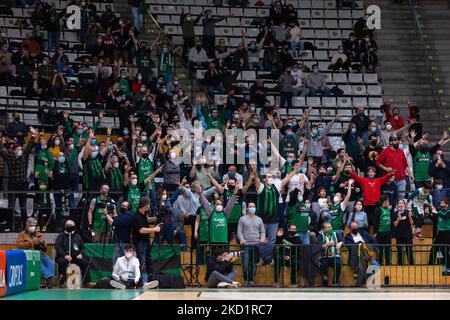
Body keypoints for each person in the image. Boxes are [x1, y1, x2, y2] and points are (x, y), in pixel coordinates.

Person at [0, 126, 41, 231]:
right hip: (12, 184)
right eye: (18, 150)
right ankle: (10, 226)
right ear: (13, 151)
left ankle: (24, 227)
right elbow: (2, 150)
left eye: (20, 149)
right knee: (11, 207)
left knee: (23, 207)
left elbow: (29, 146)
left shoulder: (24, 157)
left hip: (23, 184)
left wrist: (33, 135)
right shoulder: (9, 158)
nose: (20, 151)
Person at [16, 217, 58, 288]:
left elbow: (45, 249)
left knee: (48, 260)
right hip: (28, 254)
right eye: (31, 225)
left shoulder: (38, 234)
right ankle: (50, 278)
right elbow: (19, 246)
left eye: (34, 226)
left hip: (39, 253)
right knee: (38, 262)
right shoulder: (21, 235)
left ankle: (51, 279)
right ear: (27, 225)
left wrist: (42, 243)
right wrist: (32, 242)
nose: (33, 227)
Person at [131, 196, 161, 284]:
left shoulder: (143, 215)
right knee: (141, 261)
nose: (149, 206)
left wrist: (155, 218)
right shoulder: (136, 216)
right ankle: (139, 281)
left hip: (146, 241)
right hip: (140, 242)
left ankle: (150, 278)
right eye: (148, 204)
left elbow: (146, 220)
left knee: (149, 260)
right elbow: (141, 230)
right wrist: (154, 229)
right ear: (145, 205)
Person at [377, 135, 415, 200]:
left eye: (397, 140)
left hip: (402, 179)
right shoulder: (385, 151)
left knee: (401, 198)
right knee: (390, 198)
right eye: (395, 140)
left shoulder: (401, 151)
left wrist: (410, 174)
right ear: (390, 142)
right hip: (390, 180)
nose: (397, 142)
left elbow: (405, 165)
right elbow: (378, 163)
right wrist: (385, 168)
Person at [237, 203, 266, 287]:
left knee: (254, 264)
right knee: (245, 264)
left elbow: (263, 231)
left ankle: (250, 280)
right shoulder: (242, 219)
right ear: (247, 208)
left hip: (256, 245)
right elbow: (239, 231)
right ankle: (245, 279)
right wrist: (241, 239)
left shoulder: (259, 219)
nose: (252, 208)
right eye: (250, 206)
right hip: (245, 245)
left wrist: (262, 238)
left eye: (253, 206)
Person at [55, 220, 90, 288]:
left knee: (85, 262)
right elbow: (58, 247)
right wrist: (65, 256)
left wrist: (81, 254)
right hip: (64, 257)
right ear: (65, 226)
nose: (70, 227)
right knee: (62, 262)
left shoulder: (77, 236)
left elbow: (82, 248)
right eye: (69, 226)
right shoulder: (61, 236)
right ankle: (62, 281)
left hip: (76, 257)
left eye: (72, 226)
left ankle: (86, 282)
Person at [344, 221, 377, 286]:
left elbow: (373, 241)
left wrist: (371, 247)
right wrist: (360, 244)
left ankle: (362, 281)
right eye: (353, 227)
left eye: (356, 226)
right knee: (362, 268)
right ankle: (358, 284)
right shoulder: (347, 237)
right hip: (356, 258)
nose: (355, 228)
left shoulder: (364, 233)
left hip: (367, 255)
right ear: (350, 229)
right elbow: (350, 247)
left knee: (376, 266)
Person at [317, 222, 343, 286]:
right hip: (324, 256)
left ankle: (335, 282)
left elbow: (342, 240)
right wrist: (326, 245)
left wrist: (340, 243)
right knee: (324, 264)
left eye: (331, 227)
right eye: (328, 227)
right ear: (324, 229)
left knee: (338, 263)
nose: (331, 228)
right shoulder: (321, 235)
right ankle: (325, 282)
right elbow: (318, 245)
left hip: (335, 256)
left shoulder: (336, 234)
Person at [373, 195, 396, 266]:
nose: (388, 202)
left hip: (388, 232)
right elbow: (375, 221)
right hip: (380, 232)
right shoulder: (378, 209)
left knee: (388, 249)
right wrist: (375, 232)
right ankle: (379, 263)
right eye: (387, 201)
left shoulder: (389, 210)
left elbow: (392, 219)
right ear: (385, 201)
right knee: (380, 249)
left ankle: (388, 263)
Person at [429, 198, 450, 271]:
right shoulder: (440, 211)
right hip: (440, 233)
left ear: (447, 204)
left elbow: (445, 217)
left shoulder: (448, 212)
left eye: (443, 203)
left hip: (447, 233)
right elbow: (433, 218)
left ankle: (448, 267)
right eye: (440, 203)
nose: (441, 204)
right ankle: (430, 265)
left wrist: (436, 212)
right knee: (433, 249)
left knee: (445, 250)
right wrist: (429, 213)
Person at [393, 199, 415, 265]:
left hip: (408, 235)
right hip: (399, 235)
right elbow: (394, 225)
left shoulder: (408, 212)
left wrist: (410, 217)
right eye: (399, 203)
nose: (401, 204)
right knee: (400, 251)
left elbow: (412, 224)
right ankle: (400, 266)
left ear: (405, 205)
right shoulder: (395, 213)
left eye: (402, 203)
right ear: (397, 205)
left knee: (409, 251)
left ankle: (411, 266)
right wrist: (398, 219)